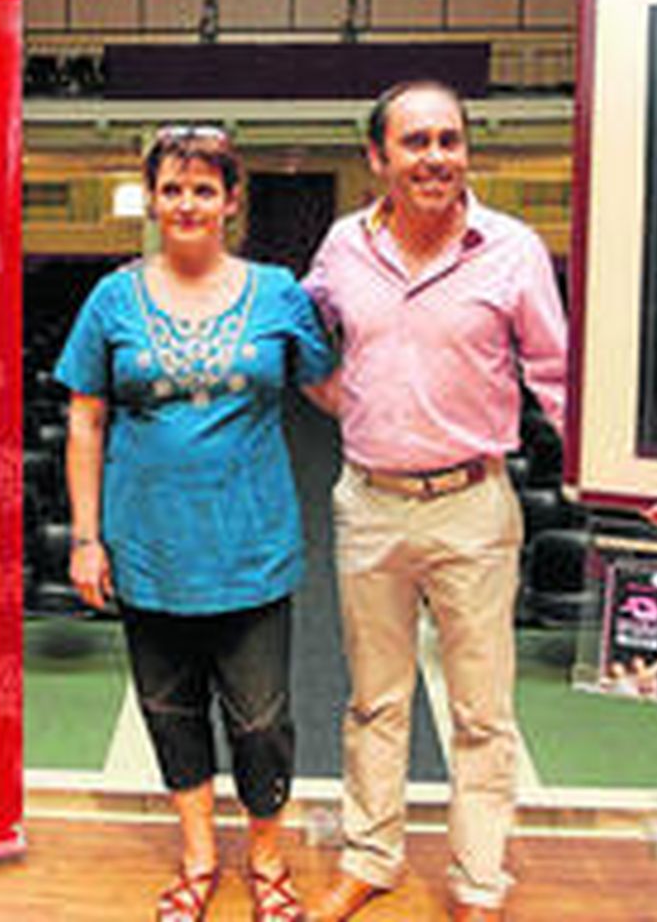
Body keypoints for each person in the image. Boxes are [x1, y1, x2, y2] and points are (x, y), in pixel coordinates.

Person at [301, 81, 568, 922]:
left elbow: (557, 375)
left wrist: (629, 479)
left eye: (449, 140)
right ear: (378, 157)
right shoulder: (344, 246)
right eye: (415, 143)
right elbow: (304, 333)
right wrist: (352, 402)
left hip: (473, 504)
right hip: (370, 504)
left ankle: (480, 879)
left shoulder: (514, 249)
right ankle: (372, 857)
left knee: (482, 710)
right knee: (375, 700)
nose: (436, 158)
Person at [56, 126, 335, 922]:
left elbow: (332, 390)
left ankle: (268, 859)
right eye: (172, 189)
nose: (187, 203)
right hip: (147, 547)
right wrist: (86, 536)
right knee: (170, 713)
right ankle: (200, 857)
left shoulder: (279, 291)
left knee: (262, 722)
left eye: (204, 189)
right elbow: (85, 421)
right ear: (153, 200)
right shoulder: (112, 298)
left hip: (251, 545)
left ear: (231, 201)